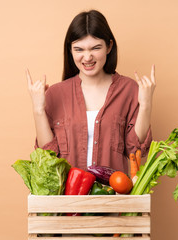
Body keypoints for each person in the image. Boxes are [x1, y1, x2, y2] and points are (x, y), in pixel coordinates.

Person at [26, 9, 156, 173]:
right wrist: (38, 110)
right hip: (67, 197)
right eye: (79, 49)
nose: (87, 58)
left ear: (109, 46)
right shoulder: (55, 94)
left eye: (95, 48)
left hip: (113, 195)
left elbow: (136, 152)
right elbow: (47, 158)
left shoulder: (129, 90)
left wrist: (146, 105)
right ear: (70, 50)